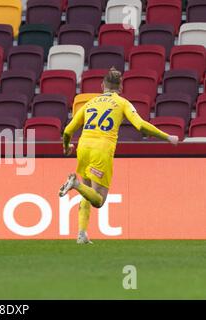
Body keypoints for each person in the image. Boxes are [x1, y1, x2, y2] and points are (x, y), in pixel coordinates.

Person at [58, 67, 178, 244]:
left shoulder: (90, 103)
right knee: (98, 201)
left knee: (88, 192)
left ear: (102, 85)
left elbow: (68, 130)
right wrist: (167, 136)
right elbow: (141, 126)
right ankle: (74, 183)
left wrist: (67, 147)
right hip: (102, 149)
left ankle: (81, 234)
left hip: (83, 146)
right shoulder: (122, 103)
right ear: (120, 88)